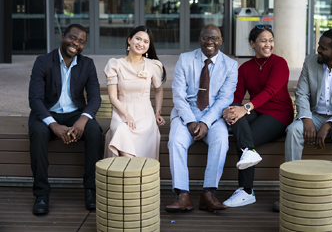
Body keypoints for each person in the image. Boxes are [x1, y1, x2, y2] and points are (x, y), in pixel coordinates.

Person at [273, 29, 332, 220]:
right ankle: (292, 190)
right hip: (315, 115)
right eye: (318, 46)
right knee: (293, 130)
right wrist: (306, 118)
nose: (318, 51)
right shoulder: (310, 62)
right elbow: (302, 94)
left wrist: (330, 124)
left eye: (323, 48)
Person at [28, 24, 103, 214]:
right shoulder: (43, 62)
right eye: (72, 38)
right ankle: (41, 194)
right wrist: (53, 125)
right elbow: (35, 99)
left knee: (95, 131)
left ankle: (91, 190)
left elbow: (95, 98)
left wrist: (82, 120)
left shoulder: (87, 64)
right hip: (47, 113)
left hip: (75, 114)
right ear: (62, 37)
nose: (75, 44)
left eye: (81, 42)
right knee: (38, 132)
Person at [165, 24, 238, 213]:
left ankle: (208, 194)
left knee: (221, 140)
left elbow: (225, 99)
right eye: (206, 38)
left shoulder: (230, 65)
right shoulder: (185, 59)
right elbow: (179, 95)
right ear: (200, 40)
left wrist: (205, 122)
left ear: (221, 40)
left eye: (214, 38)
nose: (210, 42)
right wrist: (190, 121)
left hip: (213, 116)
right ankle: (182, 195)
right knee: (175, 142)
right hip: (185, 114)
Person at [221, 25, 294, 207]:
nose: (268, 44)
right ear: (253, 44)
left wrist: (245, 108)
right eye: (263, 41)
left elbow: (270, 92)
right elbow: (237, 96)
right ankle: (249, 156)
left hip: (279, 113)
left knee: (246, 137)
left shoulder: (280, 63)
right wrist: (230, 111)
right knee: (236, 110)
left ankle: (246, 191)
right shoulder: (245, 68)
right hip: (258, 110)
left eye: (270, 40)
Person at [103, 26, 166, 159]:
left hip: (145, 116)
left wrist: (158, 112)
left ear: (149, 46)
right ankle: (131, 175)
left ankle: (135, 176)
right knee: (121, 129)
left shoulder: (153, 66)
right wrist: (126, 115)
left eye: (146, 41)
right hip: (122, 113)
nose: (141, 44)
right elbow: (113, 96)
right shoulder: (115, 64)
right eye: (138, 39)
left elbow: (159, 91)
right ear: (129, 40)